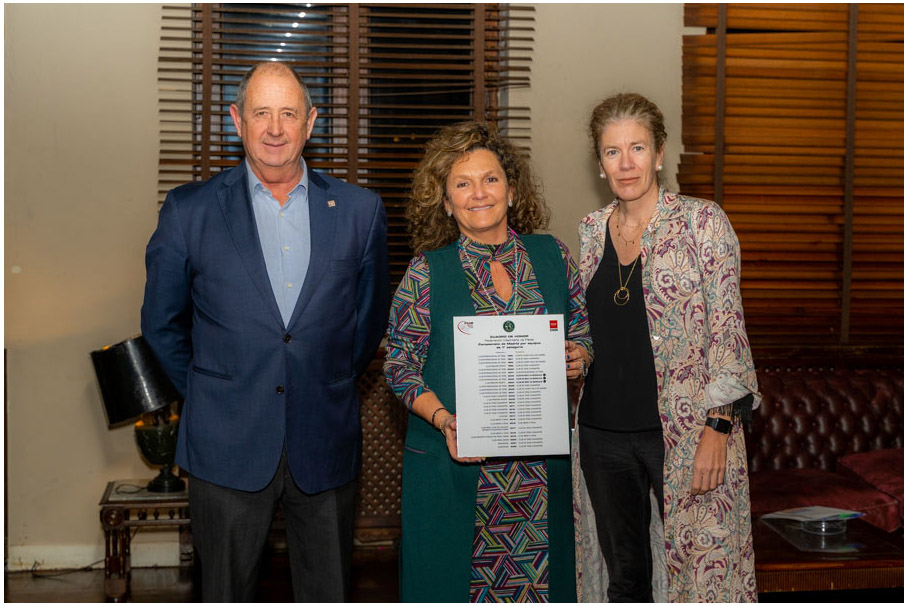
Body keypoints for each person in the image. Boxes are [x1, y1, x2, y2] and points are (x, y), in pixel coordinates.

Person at [141, 62, 389, 602]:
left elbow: (368, 321)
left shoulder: (359, 211)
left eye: (289, 114)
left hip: (324, 438)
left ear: (310, 122)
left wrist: (319, 379)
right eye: (261, 113)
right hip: (224, 441)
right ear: (237, 120)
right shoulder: (189, 210)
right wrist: (213, 391)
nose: (275, 129)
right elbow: (161, 325)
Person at [384, 121, 593, 602]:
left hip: (539, 477)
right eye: (462, 183)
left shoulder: (553, 256)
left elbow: (582, 331)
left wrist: (579, 357)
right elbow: (400, 365)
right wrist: (444, 419)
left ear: (512, 190)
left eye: (491, 179)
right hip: (457, 466)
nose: (479, 193)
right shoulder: (426, 271)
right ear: (445, 201)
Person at [573, 93, 761, 602]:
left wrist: (718, 428)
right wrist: (577, 354)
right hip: (602, 435)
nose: (626, 163)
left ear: (659, 154)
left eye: (637, 148)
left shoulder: (704, 223)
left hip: (685, 432)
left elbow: (728, 331)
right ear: (600, 163)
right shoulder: (590, 231)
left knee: (701, 577)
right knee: (625, 579)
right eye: (613, 151)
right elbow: (591, 330)